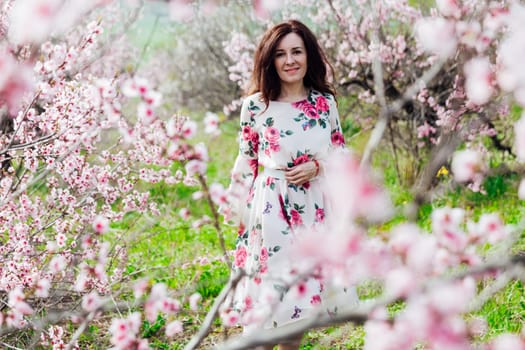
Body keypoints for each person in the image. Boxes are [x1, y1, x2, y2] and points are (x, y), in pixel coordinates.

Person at [223, 19, 348, 350]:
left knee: (299, 305)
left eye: (297, 51)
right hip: (271, 211)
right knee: (270, 304)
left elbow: (339, 155)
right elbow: (247, 158)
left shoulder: (325, 103)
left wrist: (317, 167)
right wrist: (236, 206)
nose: (290, 61)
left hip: (312, 211)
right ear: (270, 60)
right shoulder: (256, 106)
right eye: (281, 54)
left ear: (309, 56)